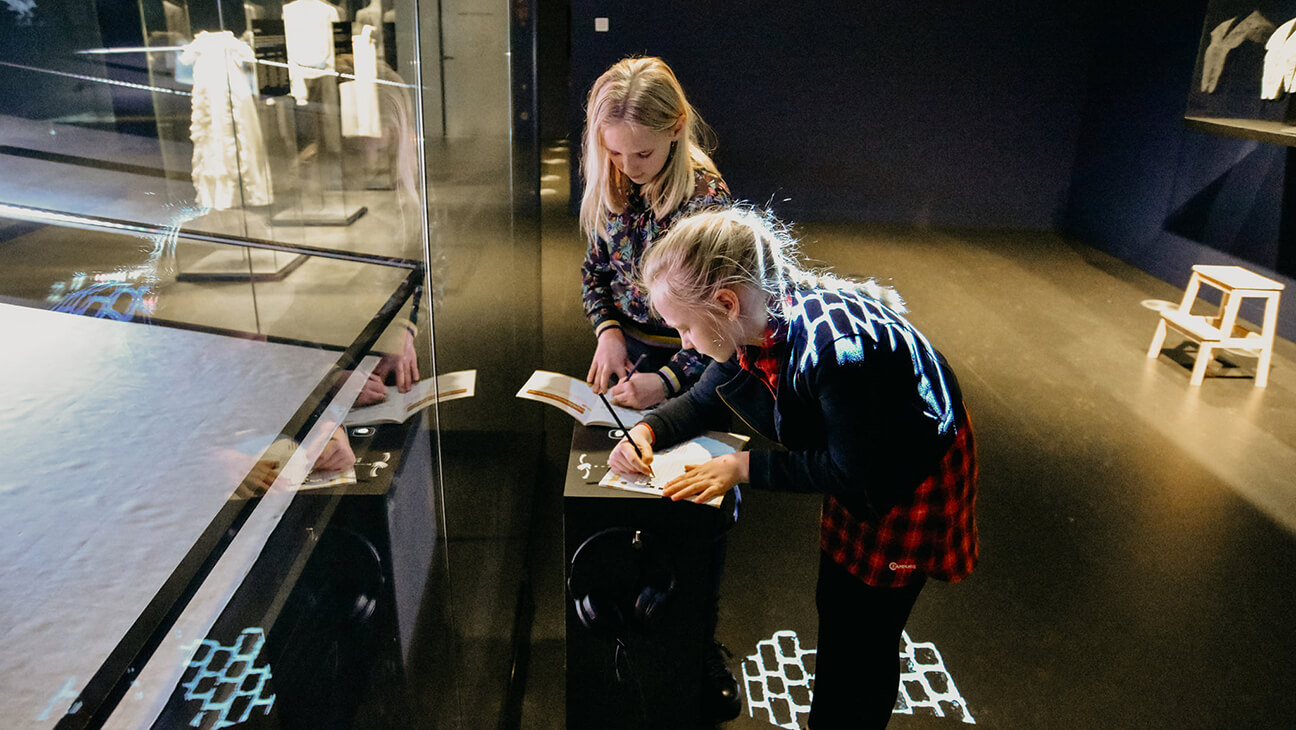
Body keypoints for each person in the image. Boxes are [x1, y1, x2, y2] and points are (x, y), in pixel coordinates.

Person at [608, 207, 979, 729]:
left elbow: (854, 475)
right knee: (839, 603)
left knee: (870, 629)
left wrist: (743, 466)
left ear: (726, 302)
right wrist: (647, 430)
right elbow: (706, 397)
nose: (685, 343)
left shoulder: (835, 354)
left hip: (908, 475)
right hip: (862, 458)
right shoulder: (754, 323)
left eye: (685, 327)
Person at [580, 56, 733, 409]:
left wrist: (669, 380)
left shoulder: (705, 202)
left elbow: (721, 317)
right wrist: (608, 331)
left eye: (643, 153)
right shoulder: (612, 179)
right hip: (627, 354)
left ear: (676, 127)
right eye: (614, 152)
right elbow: (594, 273)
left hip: (695, 365)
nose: (628, 167)